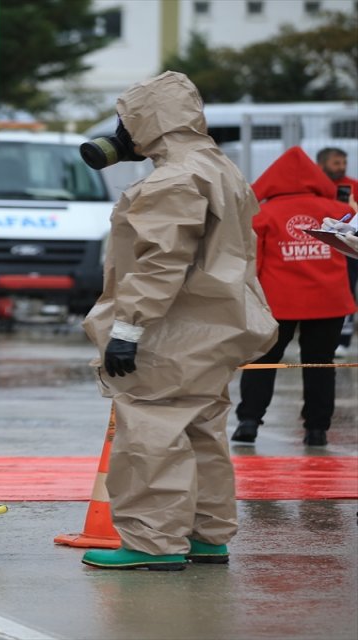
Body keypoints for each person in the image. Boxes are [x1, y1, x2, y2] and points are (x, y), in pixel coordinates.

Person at [79, 72, 277, 571]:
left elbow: (160, 261)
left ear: (148, 121)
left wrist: (128, 328)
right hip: (219, 327)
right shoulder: (220, 168)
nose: (122, 135)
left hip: (170, 330)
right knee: (203, 432)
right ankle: (207, 535)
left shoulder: (173, 178)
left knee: (151, 434)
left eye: (127, 123)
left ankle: (153, 543)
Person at [232, 147, 357, 447]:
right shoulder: (338, 212)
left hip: (278, 302)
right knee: (320, 363)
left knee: (264, 360)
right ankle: (317, 429)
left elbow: (253, 264)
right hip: (328, 302)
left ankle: (249, 420)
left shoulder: (262, 214)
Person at [315, 147, 358, 357]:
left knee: (348, 289)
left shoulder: (350, 185)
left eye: (344, 162)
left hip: (349, 244)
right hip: (322, 246)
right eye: (336, 163)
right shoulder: (313, 186)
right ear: (321, 164)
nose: (341, 167)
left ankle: (344, 339)